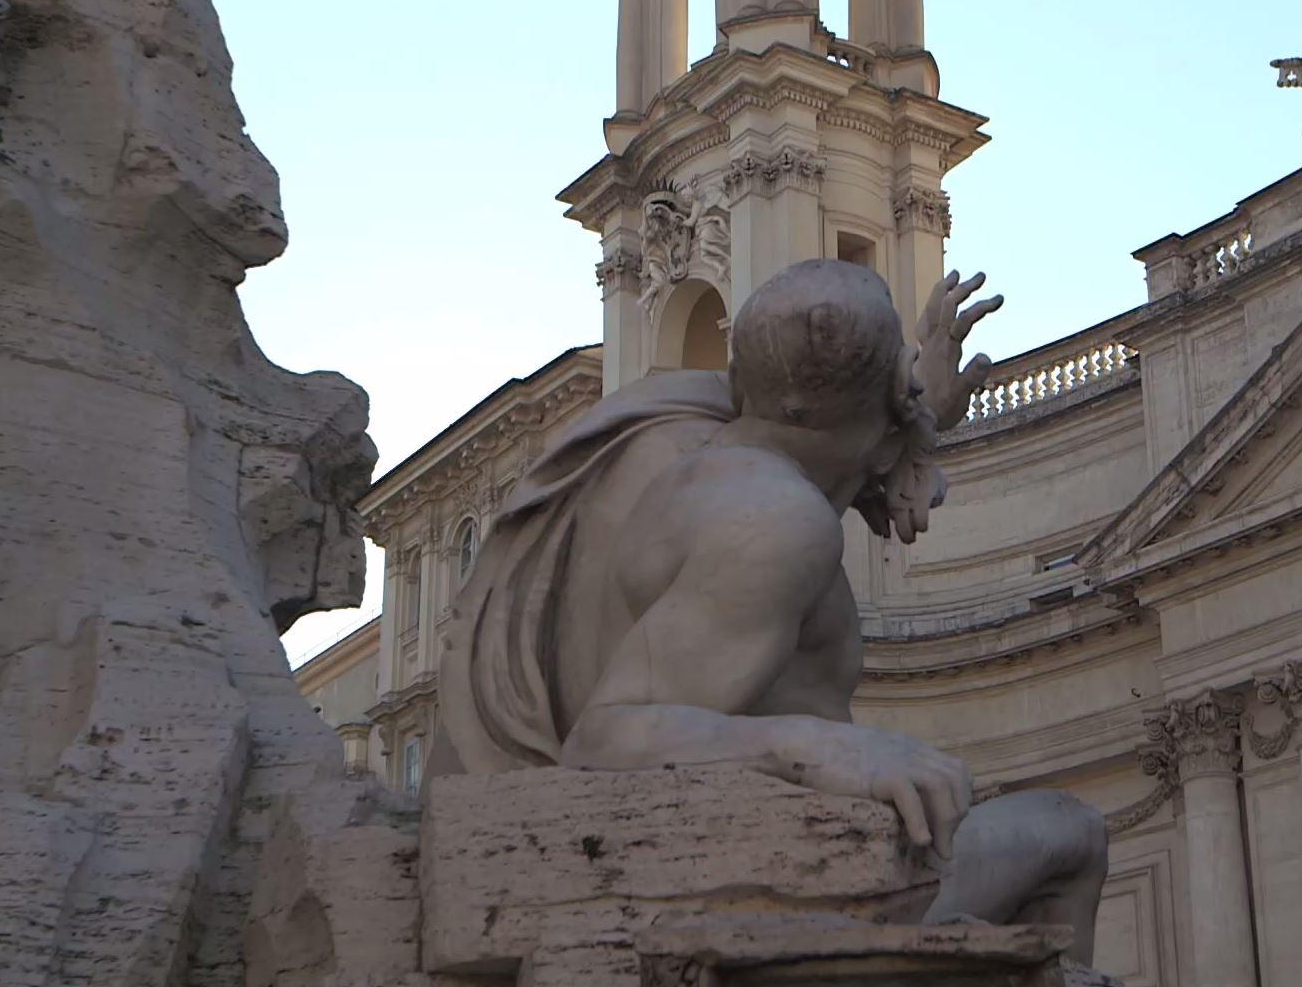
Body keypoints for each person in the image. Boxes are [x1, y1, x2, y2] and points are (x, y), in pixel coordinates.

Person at [432, 260, 1106, 962]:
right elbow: (606, 739)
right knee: (1071, 833)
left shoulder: (669, 431)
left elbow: (810, 461)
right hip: (760, 874)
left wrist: (914, 417)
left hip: (697, 844)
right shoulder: (781, 525)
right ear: (878, 404)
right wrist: (822, 749)